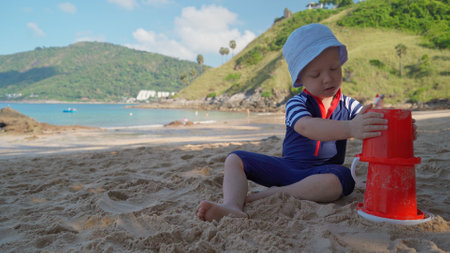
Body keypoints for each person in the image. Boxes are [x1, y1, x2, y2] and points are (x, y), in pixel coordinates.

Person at [197, 23, 389, 222]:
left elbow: (373, 122)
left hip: (322, 173)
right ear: (301, 78)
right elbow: (306, 126)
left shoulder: (348, 105)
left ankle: (274, 193)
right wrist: (350, 128)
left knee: (345, 177)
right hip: (288, 168)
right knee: (234, 158)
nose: (328, 78)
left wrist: (398, 129)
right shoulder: (296, 103)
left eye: (334, 68)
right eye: (316, 74)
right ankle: (232, 205)